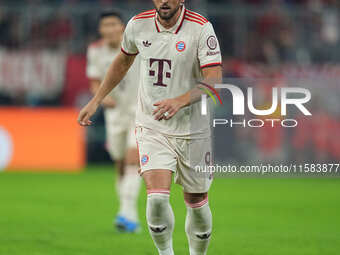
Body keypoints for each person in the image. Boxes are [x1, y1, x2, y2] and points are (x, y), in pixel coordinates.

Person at [79, 1, 222, 254]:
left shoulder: (201, 28)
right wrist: (96, 100)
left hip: (193, 129)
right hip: (152, 124)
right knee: (156, 198)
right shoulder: (138, 24)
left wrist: (181, 100)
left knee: (196, 202)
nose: (164, 1)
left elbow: (214, 80)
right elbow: (122, 62)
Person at [86, 11, 141, 233]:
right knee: (120, 164)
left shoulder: (137, 45)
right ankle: (130, 215)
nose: (109, 29)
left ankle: (126, 213)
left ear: (122, 27)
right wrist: (101, 97)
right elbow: (94, 82)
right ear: (101, 30)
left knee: (132, 159)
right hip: (115, 114)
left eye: (113, 24)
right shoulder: (95, 51)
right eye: (105, 25)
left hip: (139, 110)